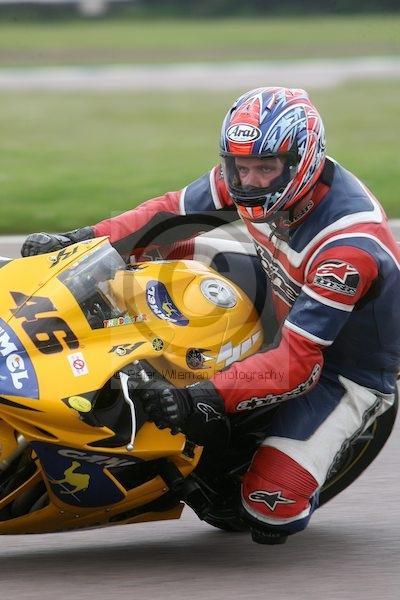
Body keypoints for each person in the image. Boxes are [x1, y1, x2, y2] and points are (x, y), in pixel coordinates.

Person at [21, 87, 400, 544]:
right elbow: (168, 212)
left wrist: (198, 396)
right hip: (272, 280)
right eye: (241, 167)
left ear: (303, 162)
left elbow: (299, 363)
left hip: (341, 364)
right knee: (157, 246)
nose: (250, 181)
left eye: (265, 169)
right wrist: (83, 241)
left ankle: (277, 450)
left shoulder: (347, 249)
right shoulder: (255, 174)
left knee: (268, 512)